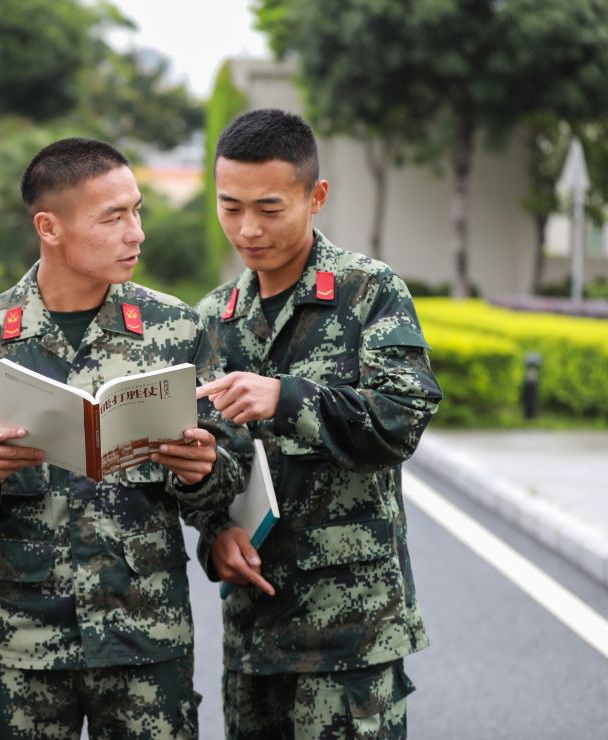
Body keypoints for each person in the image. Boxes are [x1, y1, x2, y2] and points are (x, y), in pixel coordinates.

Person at [0, 137, 252, 739]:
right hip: (21, 642)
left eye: (137, 210)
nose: (137, 233)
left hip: (145, 636)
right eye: (114, 216)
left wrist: (203, 467)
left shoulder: (176, 330)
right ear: (49, 227)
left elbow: (232, 466)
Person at [189, 108, 443, 739]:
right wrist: (214, 531)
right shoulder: (214, 317)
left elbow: (400, 420)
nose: (248, 229)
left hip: (351, 632)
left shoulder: (369, 292)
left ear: (316, 197)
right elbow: (203, 459)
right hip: (253, 624)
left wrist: (287, 398)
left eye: (270, 209)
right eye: (230, 207)